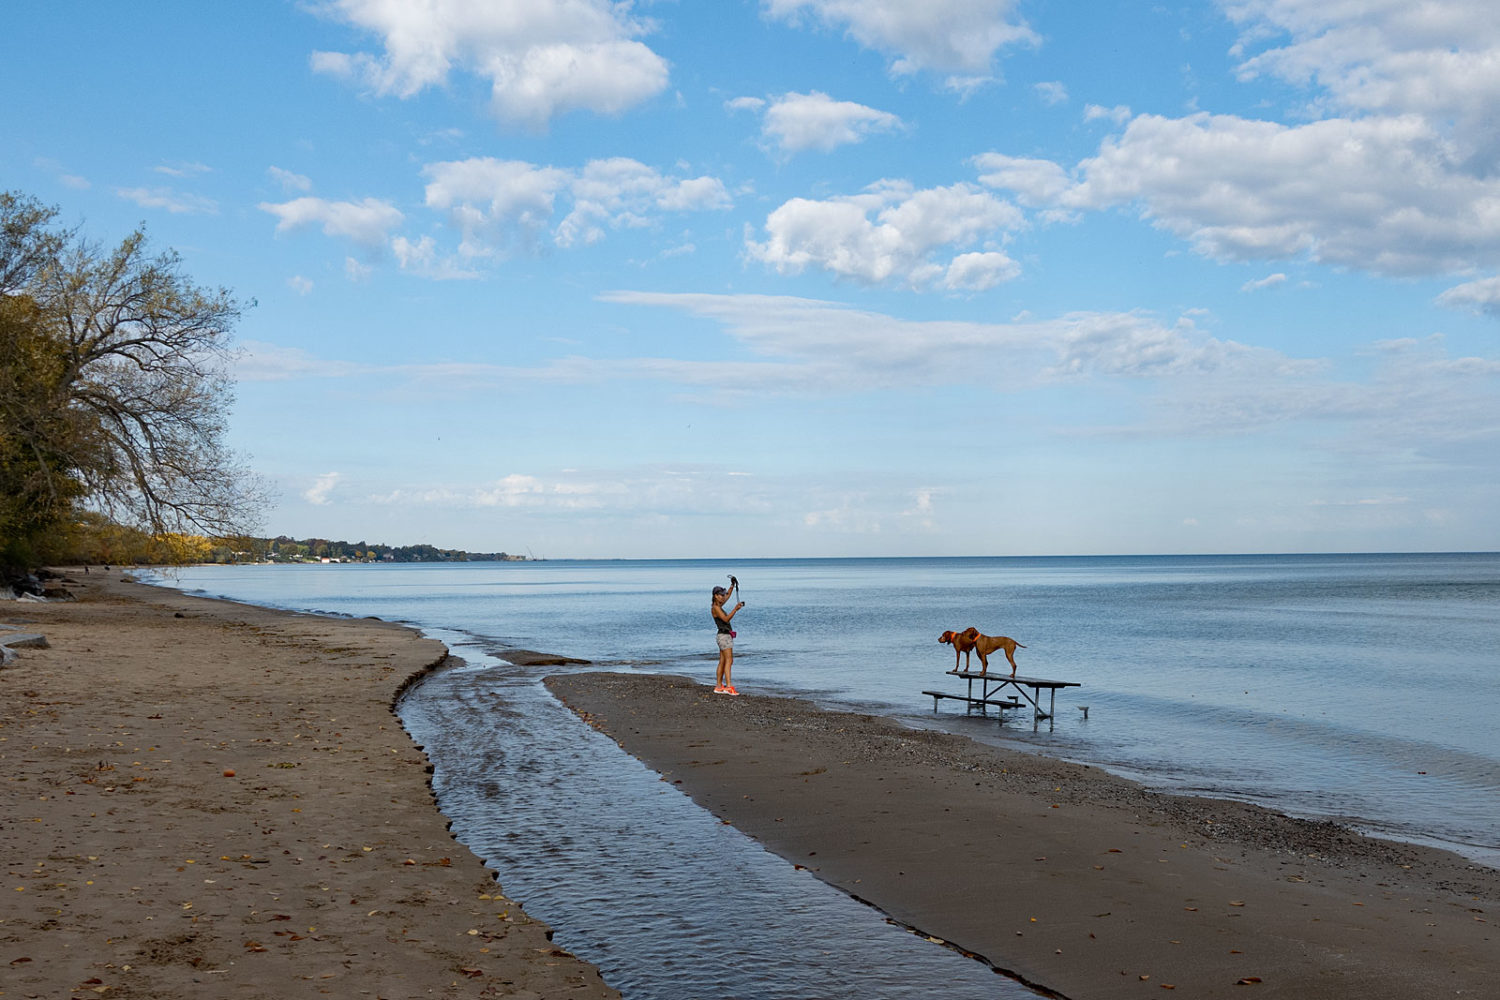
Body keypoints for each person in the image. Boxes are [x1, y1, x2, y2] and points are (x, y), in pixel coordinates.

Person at [711, 582, 744, 695]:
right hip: (724, 636)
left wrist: (732, 586)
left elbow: (728, 596)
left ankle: (719, 686)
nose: (723, 597)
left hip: (723, 636)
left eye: (723, 594)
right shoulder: (716, 608)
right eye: (721, 595)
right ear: (716, 595)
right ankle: (729, 686)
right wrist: (735, 609)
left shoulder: (718, 606)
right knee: (729, 661)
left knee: (723, 661)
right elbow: (725, 619)